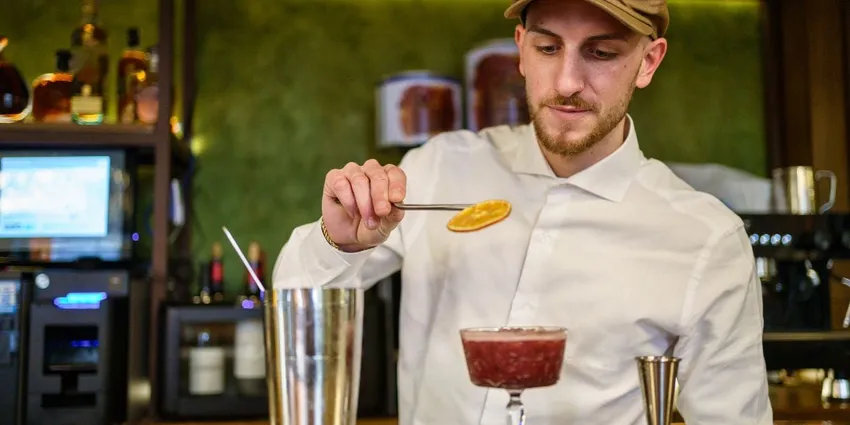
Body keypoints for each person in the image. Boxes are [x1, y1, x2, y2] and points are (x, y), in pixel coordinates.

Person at [272, 0, 773, 423]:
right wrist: (337, 242)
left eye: (602, 53)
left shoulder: (705, 237)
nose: (568, 80)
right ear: (520, 50)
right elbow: (292, 300)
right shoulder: (438, 167)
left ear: (648, 61)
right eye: (548, 47)